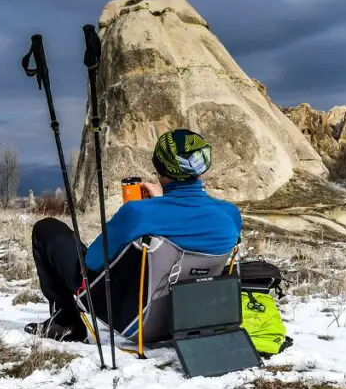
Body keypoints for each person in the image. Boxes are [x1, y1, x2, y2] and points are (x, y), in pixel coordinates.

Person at [25, 129, 242, 341]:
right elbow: (193, 215)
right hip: (195, 321)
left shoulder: (138, 213)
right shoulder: (230, 214)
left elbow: (92, 261)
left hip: (138, 324)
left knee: (47, 228)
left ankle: (66, 323)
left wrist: (142, 210)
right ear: (201, 167)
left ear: (159, 167)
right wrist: (159, 201)